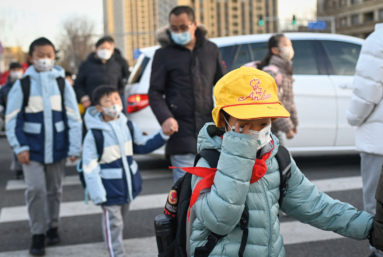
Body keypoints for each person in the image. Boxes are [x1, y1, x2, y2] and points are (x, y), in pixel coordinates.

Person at [187, 67, 381, 257]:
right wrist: (238, 152)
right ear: (223, 119)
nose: (255, 132)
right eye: (245, 124)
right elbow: (220, 220)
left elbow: (315, 205)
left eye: (263, 124)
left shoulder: (277, 158)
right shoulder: (208, 162)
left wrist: (370, 228)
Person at [5, 37, 82, 256]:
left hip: (57, 149)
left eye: (49, 55)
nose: (45, 60)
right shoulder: (22, 85)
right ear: (31, 58)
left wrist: (74, 148)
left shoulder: (61, 83)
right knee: (36, 190)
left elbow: (73, 118)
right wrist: (19, 147)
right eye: (40, 56)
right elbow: (12, 119)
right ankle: (37, 233)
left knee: (54, 191)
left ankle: (52, 227)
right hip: (32, 150)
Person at [82, 86, 170, 257]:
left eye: (116, 98)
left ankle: (112, 238)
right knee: (114, 222)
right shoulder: (94, 134)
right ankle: (116, 253)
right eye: (108, 101)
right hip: (108, 188)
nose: (114, 103)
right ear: (99, 108)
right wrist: (98, 194)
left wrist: (163, 135)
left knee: (117, 220)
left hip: (127, 185)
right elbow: (89, 166)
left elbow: (143, 145)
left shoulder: (127, 125)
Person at [148, 6, 226, 182]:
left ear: (194, 25)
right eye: (174, 29)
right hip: (180, 134)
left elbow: (223, 86)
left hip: (209, 133)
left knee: (213, 189)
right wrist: (165, 117)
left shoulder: (211, 49)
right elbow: (154, 92)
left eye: (183, 27)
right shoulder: (163, 54)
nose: (179, 32)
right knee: (186, 194)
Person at [346, 23, 383, 257]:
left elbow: (365, 92)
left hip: (378, 141)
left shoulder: (378, 39)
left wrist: (353, 118)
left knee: (377, 206)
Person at [258, 34, 298, 146]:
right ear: (275, 50)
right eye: (285, 45)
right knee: (284, 160)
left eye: (290, 45)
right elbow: (273, 103)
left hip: (275, 127)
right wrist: (288, 128)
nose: (289, 48)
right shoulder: (271, 72)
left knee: (282, 160)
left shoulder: (285, 70)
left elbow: (289, 101)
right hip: (268, 129)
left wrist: (294, 123)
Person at [74, 36, 129, 109]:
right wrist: (83, 97)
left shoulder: (117, 64)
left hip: (113, 107)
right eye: (102, 48)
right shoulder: (86, 65)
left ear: (112, 51)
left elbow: (123, 82)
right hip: (93, 106)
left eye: (108, 49)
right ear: (96, 49)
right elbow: (78, 84)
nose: (105, 51)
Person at [0, 62, 24, 179]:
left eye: (18, 69)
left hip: (24, 119)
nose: (16, 72)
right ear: (9, 72)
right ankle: (18, 168)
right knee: (15, 144)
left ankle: (24, 167)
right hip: (10, 120)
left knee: (24, 142)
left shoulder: (27, 85)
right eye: (14, 69)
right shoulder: (4, 89)